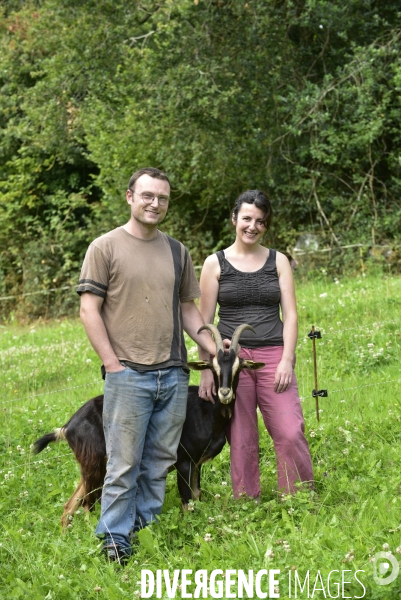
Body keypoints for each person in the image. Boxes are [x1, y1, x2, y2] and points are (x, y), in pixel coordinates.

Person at [77, 167, 217, 564]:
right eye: (148, 196)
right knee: (123, 464)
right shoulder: (104, 247)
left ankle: (144, 528)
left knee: (158, 462)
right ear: (129, 197)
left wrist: (212, 352)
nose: (156, 203)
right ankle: (115, 541)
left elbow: (188, 311)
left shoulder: (177, 251)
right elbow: (89, 309)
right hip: (128, 374)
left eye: (163, 198)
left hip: (173, 374)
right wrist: (112, 365)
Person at [198, 189, 313, 500]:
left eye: (260, 221)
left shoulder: (279, 261)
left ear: (266, 226)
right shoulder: (214, 263)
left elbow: (290, 315)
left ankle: (298, 496)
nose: (252, 226)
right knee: (241, 435)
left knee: (289, 430)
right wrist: (207, 371)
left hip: (273, 355)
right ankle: (248, 500)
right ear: (235, 219)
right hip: (231, 362)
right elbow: (203, 324)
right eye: (246, 218)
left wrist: (287, 359)